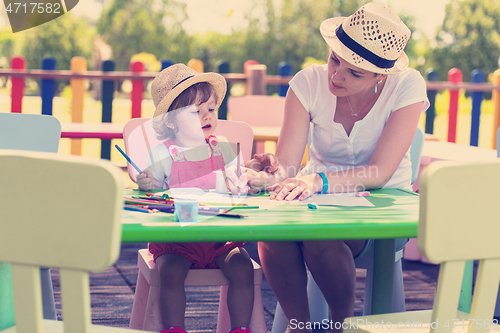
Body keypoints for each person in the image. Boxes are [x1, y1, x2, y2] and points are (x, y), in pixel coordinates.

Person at [245, 2, 429, 332]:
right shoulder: (307, 83)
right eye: (334, 59)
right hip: (316, 203)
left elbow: (381, 172)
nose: (335, 75)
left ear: (381, 75)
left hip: (384, 209)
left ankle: (339, 326)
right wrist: (265, 176)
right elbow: (287, 168)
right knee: (271, 233)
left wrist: (319, 180)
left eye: (353, 72)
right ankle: (299, 327)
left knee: (321, 236)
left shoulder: (407, 86)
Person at [136, 64, 253, 333]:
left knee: (243, 267)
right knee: (170, 272)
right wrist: (146, 184)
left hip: (221, 238)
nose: (206, 116)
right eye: (194, 112)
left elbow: (240, 190)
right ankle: (175, 328)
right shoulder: (163, 153)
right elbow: (151, 190)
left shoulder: (223, 148)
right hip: (178, 240)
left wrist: (242, 182)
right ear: (170, 120)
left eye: (210, 109)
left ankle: (241, 329)